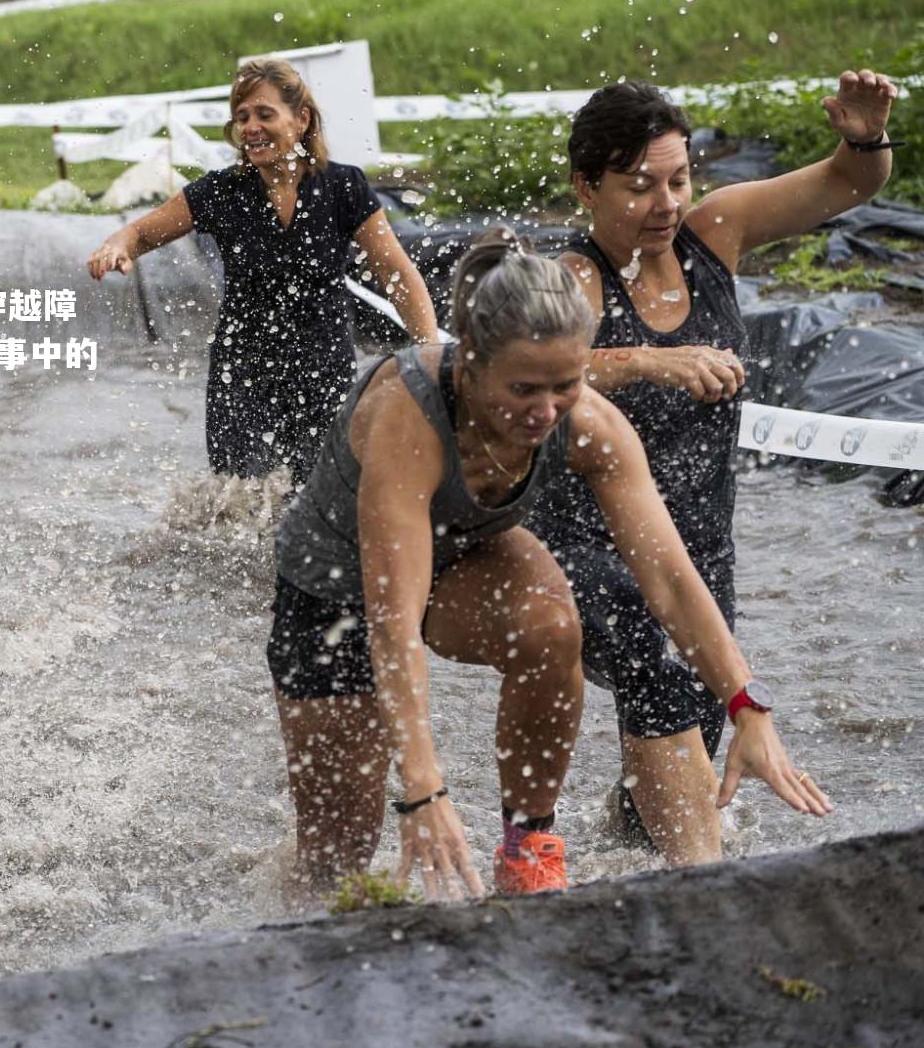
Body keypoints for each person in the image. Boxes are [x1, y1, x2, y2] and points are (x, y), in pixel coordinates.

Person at [268, 232, 830, 901]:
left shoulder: (590, 424)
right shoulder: (408, 415)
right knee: (340, 865)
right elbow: (391, 626)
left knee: (549, 623)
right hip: (333, 592)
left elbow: (673, 583)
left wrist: (746, 706)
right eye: (524, 389)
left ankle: (527, 848)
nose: (544, 412)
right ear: (471, 366)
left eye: (564, 385)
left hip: (464, 555)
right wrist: (423, 792)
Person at [526, 72, 895, 863]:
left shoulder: (715, 231)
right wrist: (649, 363)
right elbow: (529, 370)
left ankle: (627, 852)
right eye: (639, 186)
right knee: (654, 671)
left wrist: (863, 138)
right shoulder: (574, 277)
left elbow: (847, 183)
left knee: (681, 728)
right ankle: (705, 883)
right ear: (586, 186)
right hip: (587, 548)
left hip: (697, 548)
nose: (665, 203)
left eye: (679, 179)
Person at [87, 59, 438, 484]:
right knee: (241, 503)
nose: (251, 126)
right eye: (242, 117)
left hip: (323, 372)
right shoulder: (221, 191)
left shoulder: (343, 187)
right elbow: (141, 233)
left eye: (264, 114)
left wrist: (429, 356)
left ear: (301, 119)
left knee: (320, 497)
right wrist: (116, 246)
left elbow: (396, 273)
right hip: (243, 374)